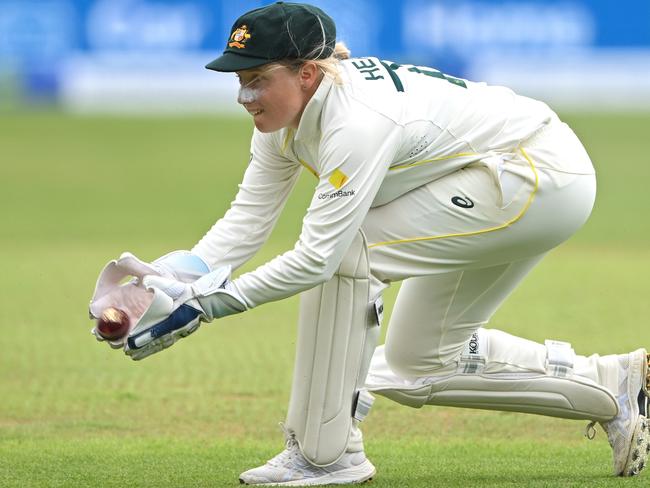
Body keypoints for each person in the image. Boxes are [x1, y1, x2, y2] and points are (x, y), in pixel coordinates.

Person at [89, 2, 649, 485]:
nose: (244, 95)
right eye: (239, 80)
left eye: (257, 78)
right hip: (500, 177)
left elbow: (317, 258)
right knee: (418, 363)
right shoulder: (285, 121)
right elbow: (246, 220)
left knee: (348, 252)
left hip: (535, 176)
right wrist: (170, 279)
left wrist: (206, 306)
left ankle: (323, 455)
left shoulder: (355, 121)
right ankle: (611, 385)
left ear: (307, 72)